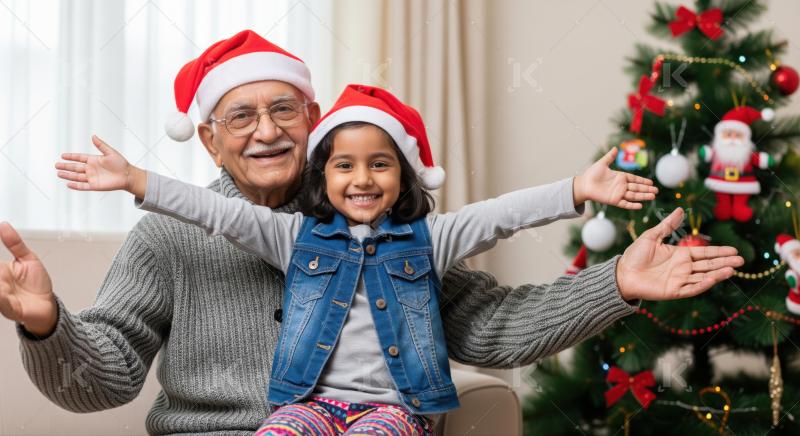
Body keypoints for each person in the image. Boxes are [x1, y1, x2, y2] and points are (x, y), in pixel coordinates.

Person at [0, 30, 743, 435]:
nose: (266, 131)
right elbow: (106, 376)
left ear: (313, 120)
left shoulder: (389, 231)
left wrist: (613, 282)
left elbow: (491, 329)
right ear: (208, 139)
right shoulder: (169, 236)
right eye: (241, 116)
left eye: (285, 109)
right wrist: (46, 324)